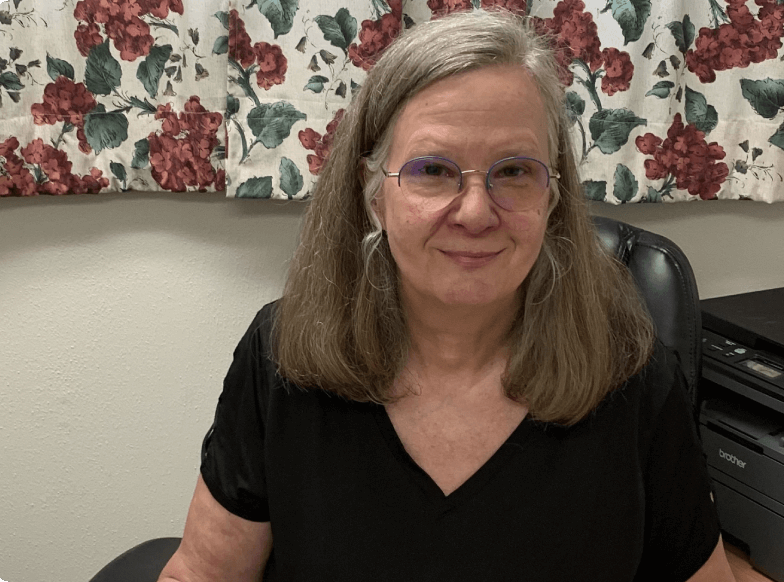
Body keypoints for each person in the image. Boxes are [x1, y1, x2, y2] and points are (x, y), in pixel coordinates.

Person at [159, 9, 735, 582]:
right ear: (372, 194)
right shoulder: (281, 356)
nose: (477, 213)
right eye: (433, 169)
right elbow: (203, 573)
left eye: (514, 172)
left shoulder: (632, 375)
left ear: (553, 194)